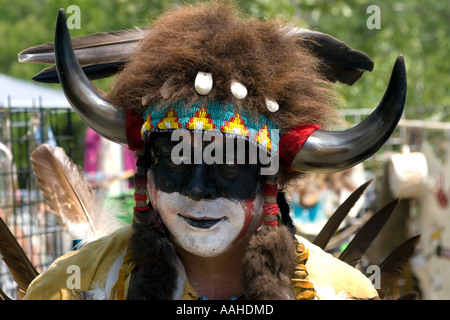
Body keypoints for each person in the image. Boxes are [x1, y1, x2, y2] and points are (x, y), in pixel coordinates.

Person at [20, 2, 406, 300]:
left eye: (230, 162)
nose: (198, 189)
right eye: (175, 157)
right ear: (147, 170)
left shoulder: (338, 291)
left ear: (269, 177)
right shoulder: (70, 287)